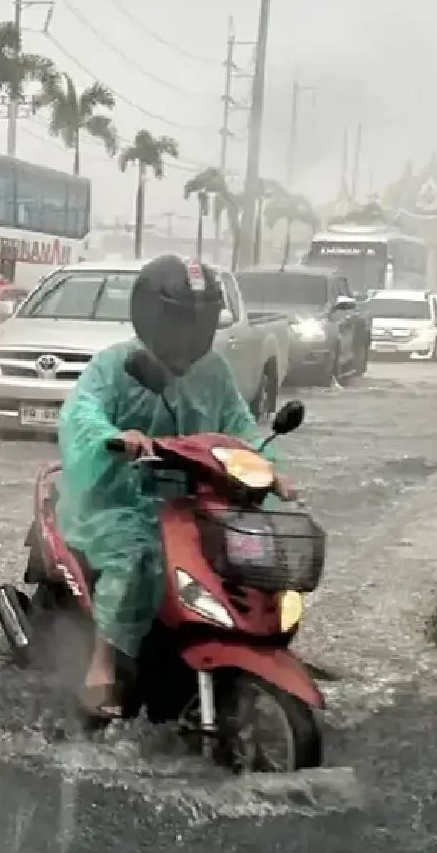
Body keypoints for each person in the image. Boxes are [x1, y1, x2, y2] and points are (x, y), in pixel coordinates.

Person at [54, 255, 295, 720]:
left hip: (194, 501)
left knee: (246, 555)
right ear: (152, 316)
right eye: (181, 321)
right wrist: (116, 438)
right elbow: (83, 414)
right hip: (118, 498)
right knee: (136, 556)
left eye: (198, 322)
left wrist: (271, 467)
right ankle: (103, 662)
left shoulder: (213, 371)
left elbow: (239, 426)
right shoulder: (115, 366)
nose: (189, 334)